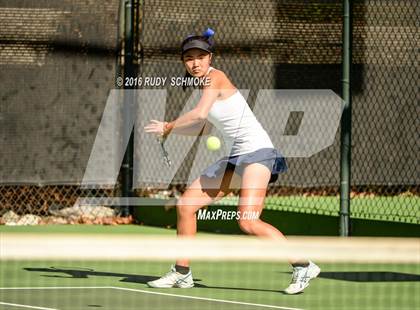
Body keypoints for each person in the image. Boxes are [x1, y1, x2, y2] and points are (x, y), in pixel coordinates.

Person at [144, 28, 320, 294]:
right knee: (186, 206)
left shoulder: (216, 77)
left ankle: (302, 265)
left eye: (200, 57)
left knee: (248, 220)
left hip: (258, 154)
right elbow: (203, 127)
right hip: (234, 158)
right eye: (189, 58)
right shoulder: (201, 85)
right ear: (183, 62)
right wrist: (170, 131)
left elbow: (200, 113)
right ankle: (182, 272)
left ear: (209, 58)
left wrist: (169, 125)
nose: (195, 63)